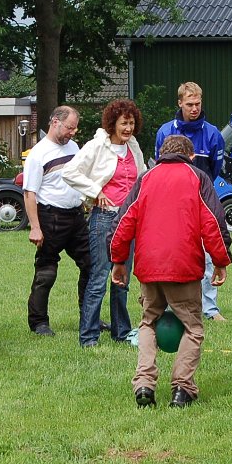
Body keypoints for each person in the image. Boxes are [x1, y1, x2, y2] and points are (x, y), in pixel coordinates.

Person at [111, 134, 231, 408]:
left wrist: (118, 260)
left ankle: (143, 383)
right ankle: (182, 388)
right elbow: (213, 221)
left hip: (149, 266)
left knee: (147, 323)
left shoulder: (146, 178)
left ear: (161, 154)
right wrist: (221, 259)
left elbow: (123, 220)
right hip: (184, 267)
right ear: (191, 156)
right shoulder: (198, 177)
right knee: (193, 327)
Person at [62, 99, 147, 346]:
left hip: (128, 219)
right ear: (113, 124)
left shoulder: (133, 146)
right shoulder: (97, 146)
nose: (128, 128)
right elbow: (70, 172)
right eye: (124, 123)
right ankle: (88, 336)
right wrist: (94, 191)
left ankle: (121, 332)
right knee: (99, 277)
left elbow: (141, 177)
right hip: (104, 218)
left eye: (131, 123)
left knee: (122, 279)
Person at [153, 82, 227, 321]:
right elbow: (159, 168)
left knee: (206, 255)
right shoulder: (165, 132)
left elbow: (214, 171)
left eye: (198, 104)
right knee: (169, 252)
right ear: (179, 103)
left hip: (201, 202)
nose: (194, 108)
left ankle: (210, 308)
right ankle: (165, 304)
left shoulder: (213, 134)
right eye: (189, 104)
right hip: (170, 205)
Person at [22, 106, 93, 338]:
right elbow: (29, 193)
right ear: (55, 122)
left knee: (91, 265)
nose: (72, 133)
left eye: (74, 128)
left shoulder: (73, 147)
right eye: (69, 128)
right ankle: (39, 322)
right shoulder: (38, 154)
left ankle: (89, 315)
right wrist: (35, 227)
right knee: (46, 272)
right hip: (50, 217)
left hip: (76, 216)